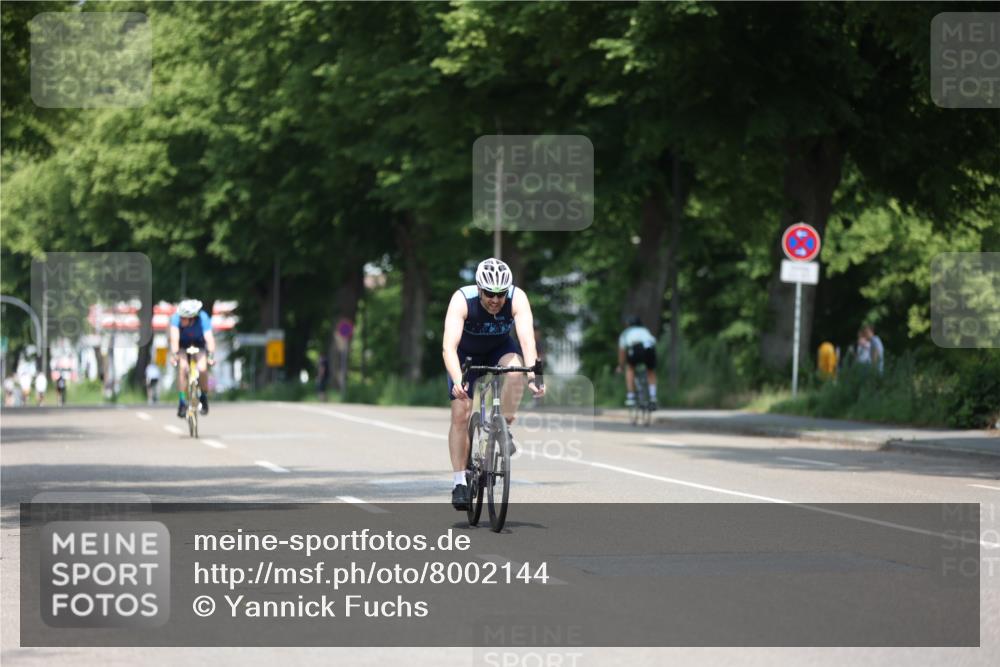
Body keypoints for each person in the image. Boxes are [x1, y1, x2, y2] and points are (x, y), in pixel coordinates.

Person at [442, 258, 545, 511]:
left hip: (499, 348)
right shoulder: (462, 300)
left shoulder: (517, 298)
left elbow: (527, 340)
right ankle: (459, 482)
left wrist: (534, 375)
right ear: (479, 288)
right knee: (461, 412)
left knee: (515, 373)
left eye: (501, 294)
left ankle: (504, 426)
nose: (495, 300)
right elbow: (448, 347)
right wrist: (458, 380)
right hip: (465, 355)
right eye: (490, 293)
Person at [169, 299, 216, 418]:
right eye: (180, 317)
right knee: (183, 368)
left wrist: (210, 356)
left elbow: (209, 338)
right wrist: (174, 355)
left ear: (192, 318)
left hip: (199, 344)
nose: (181, 320)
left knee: (202, 368)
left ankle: (203, 397)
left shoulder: (203, 318)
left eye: (184, 318)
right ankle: (182, 402)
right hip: (183, 345)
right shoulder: (176, 318)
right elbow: (174, 338)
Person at [616, 315, 658, 408]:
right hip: (650, 349)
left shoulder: (626, 332)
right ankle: (653, 396)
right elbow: (653, 341)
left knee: (630, 368)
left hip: (636, 348)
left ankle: (631, 396)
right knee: (651, 371)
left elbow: (622, 352)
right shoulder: (645, 330)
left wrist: (621, 366)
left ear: (629, 325)